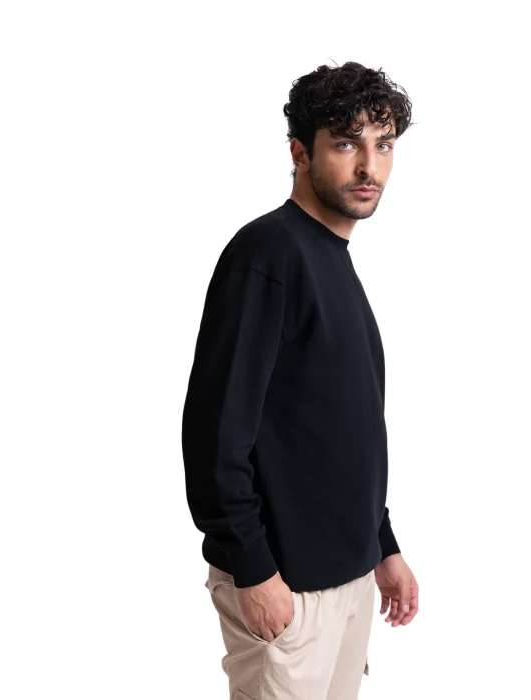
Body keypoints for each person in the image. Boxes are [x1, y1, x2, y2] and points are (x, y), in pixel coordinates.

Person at [181, 61, 419, 700]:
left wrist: (382, 544)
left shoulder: (332, 260)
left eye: (383, 144)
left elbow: (342, 428)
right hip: (286, 587)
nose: (368, 165)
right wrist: (252, 568)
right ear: (299, 153)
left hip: (349, 581)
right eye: (345, 143)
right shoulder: (268, 255)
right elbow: (214, 433)